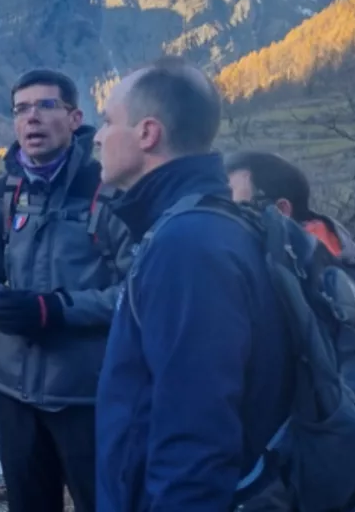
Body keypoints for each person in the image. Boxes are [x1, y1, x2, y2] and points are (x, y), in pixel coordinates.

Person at [93, 57, 294, 511]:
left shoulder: (186, 248)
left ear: (147, 133)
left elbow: (195, 436)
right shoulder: (203, 226)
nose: (99, 136)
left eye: (107, 122)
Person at [0, 69, 133, 512]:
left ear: (75, 118)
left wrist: (57, 310)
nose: (31, 118)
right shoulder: (4, 193)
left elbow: (138, 294)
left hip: (87, 396)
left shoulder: (109, 195)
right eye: (21, 109)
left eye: (45, 106)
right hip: (14, 393)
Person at [224, 149, 355, 510]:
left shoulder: (341, 292)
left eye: (238, 206)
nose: (228, 218)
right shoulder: (296, 278)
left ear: (282, 210)